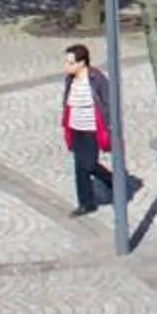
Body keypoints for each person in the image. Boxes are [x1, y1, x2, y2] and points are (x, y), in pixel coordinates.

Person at [61, 44, 119, 215]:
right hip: (74, 126)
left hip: (91, 128)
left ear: (82, 63)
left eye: (70, 62)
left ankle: (112, 180)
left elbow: (108, 102)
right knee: (80, 165)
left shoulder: (96, 79)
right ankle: (86, 203)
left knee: (88, 163)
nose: (66, 66)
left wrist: (110, 124)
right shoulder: (70, 79)